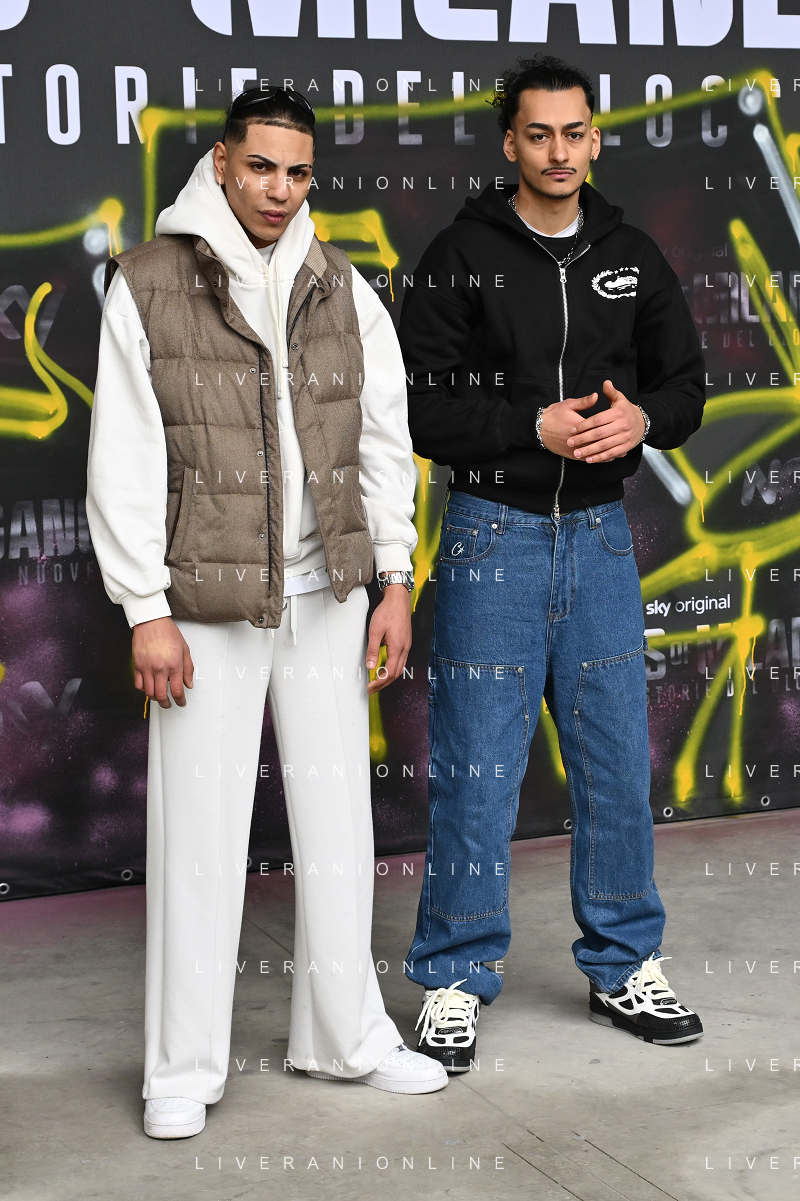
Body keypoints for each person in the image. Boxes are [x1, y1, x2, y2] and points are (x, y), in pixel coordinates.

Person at [86, 85, 447, 1140]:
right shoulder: (148, 282)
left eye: (298, 173)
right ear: (221, 162)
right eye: (261, 167)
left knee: (339, 830)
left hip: (326, 592)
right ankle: (181, 1067)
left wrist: (394, 577)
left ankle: (347, 1037)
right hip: (203, 600)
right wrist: (145, 607)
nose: (280, 190)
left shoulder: (341, 284)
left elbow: (381, 440)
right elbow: (123, 455)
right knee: (196, 838)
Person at [398, 56, 705, 1072]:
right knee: (478, 769)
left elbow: (686, 386)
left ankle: (624, 964)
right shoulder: (462, 253)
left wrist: (644, 418)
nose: (559, 151)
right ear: (510, 143)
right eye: (539, 134)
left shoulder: (629, 255)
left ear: (594, 138)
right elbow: (417, 405)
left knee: (615, 766)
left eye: (574, 133)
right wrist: (527, 425)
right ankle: (453, 977)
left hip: (601, 539)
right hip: (493, 534)